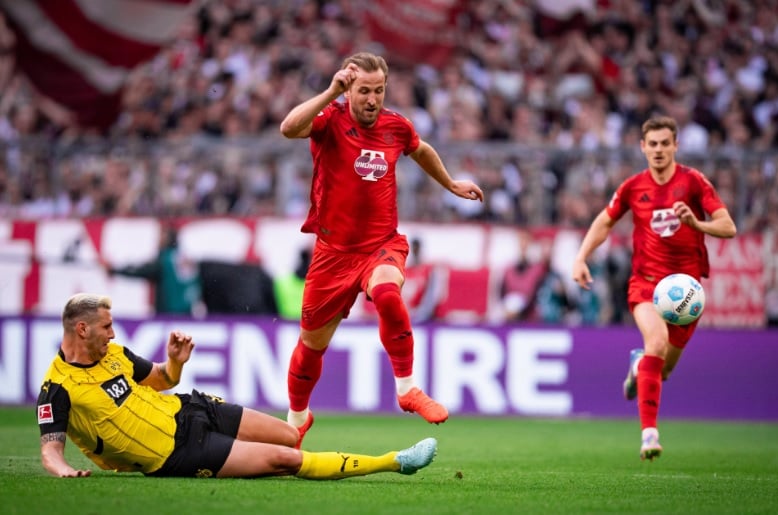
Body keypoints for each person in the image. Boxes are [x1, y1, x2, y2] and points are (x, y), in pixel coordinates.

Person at [279, 51, 484, 447]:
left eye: (379, 90)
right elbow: (289, 128)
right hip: (332, 254)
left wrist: (451, 184)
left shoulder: (397, 127)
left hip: (380, 245)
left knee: (388, 293)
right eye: (364, 91)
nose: (373, 99)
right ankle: (296, 420)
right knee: (310, 347)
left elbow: (420, 149)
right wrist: (330, 91)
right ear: (348, 88)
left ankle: (407, 389)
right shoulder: (329, 119)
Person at [35, 293, 438, 479]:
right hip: (176, 453)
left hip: (188, 410)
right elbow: (50, 450)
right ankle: (394, 461)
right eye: (106, 326)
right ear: (82, 328)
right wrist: (65, 470)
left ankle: (255, 461)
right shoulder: (58, 388)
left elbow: (163, 381)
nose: (112, 332)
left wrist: (174, 361)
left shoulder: (115, 354)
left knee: (288, 435)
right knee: (288, 460)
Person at [571, 115, 736, 460]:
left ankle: (638, 365)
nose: (659, 150)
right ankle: (649, 435)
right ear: (642, 147)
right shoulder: (633, 187)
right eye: (653, 144)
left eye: (665, 143)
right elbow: (605, 221)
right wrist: (581, 257)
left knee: (663, 368)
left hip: (688, 292)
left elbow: (728, 227)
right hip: (646, 285)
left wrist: (696, 222)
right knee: (657, 343)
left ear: (676, 145)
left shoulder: (693, 183)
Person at [106, 224, 201, 316]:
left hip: (168, 315)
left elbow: (140, 271)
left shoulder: (164, 261)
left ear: (167, 239)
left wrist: (114, 270)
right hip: (187, 315)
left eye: (161, 237)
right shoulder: (186, 259)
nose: (157, 241)